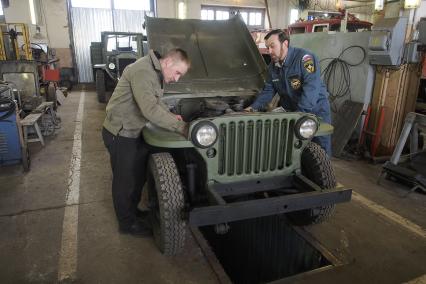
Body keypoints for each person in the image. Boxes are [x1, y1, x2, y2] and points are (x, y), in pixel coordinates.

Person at [102, 48, 190, 236]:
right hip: (120, 132)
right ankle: (127, 224)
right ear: (167, 63)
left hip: (133, 130)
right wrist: (181, 128)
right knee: (124, 181)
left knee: (137, 175)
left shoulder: (155, 72)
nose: (177, 79)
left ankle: (133, 213)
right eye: (177, 73)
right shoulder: (143, 71)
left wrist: (172, 116)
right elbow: (150, 109)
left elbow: (157, 102)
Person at [245, 29, 332, 155]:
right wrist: (252, 108)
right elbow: (269, 90)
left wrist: (299, 114)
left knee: (320, 148)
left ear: (285, 44)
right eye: (267, 47)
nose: (269, 51)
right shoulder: (272, 68)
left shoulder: (305, 58)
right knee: (293, 148)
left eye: (272, 46)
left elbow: (311, 89)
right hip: (293, 111)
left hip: (315, 110)